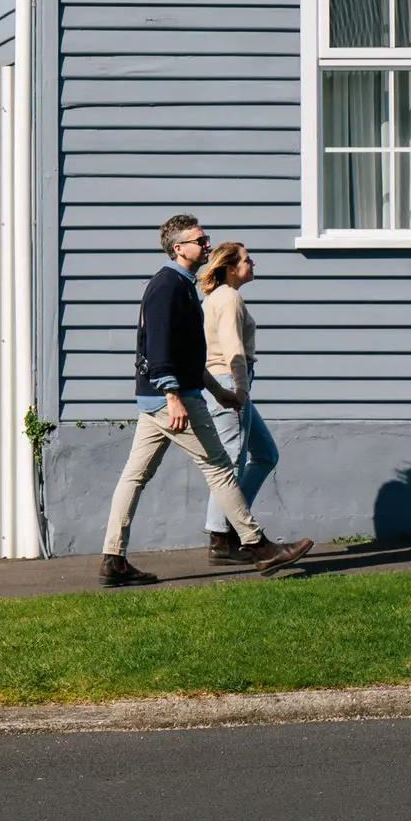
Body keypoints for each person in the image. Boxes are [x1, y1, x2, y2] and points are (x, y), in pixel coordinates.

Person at [99, 216, 314, 587]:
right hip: (173, 398)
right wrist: (173, 395)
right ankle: (256, 544)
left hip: (164, 399)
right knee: (218, 467)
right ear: (178, 248)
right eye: (199, 241)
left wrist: (219, 392)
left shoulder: (182, 287)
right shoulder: (167, 286)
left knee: (134, 477)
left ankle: (113, 558)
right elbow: (158, 346)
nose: (207, 245)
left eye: (206, 238)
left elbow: (190, 355)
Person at [199, 240, 280, 565]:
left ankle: (231, 525)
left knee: (264, 453)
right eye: (247, 260)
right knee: (231, 459)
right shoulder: (228, 297)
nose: (253, 263)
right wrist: (241, 389)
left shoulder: (217, 297)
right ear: (231, 268)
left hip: (228, 381)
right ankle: (221, 538)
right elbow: (233, 346)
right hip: (229, 382)